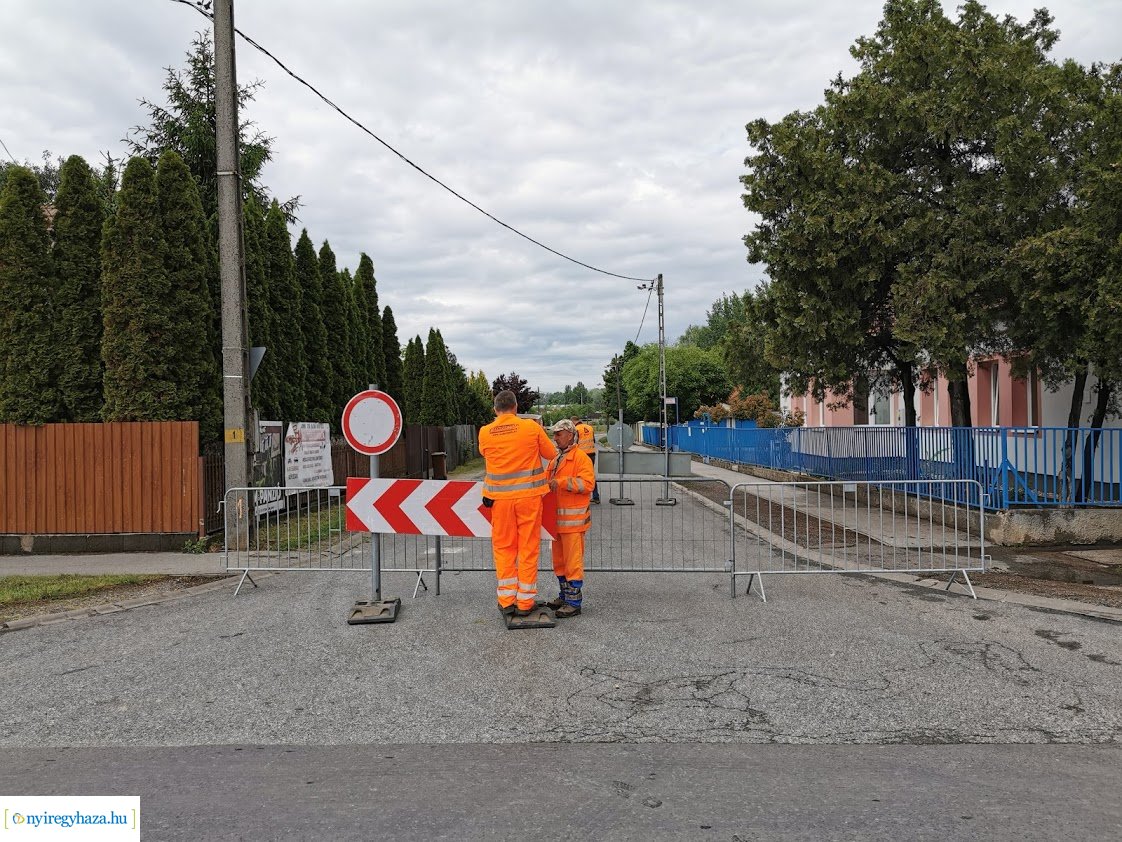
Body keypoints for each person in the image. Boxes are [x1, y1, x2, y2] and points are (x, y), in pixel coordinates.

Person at [479, 390, 557, 617]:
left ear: (495, 409)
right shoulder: (531, 427)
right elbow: (551, 453)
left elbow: (484, 453)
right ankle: (525, 603)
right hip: (529, 499)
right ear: (515, 407)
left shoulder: (485, 432)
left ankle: (506, 600)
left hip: (500, 501)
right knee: (528, 548)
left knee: (503, 549)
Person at [546, 419, 595, 617]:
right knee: (559, 562)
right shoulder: (556, 459)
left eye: (558, 434)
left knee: (572, 563)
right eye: (554, 434)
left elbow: (588, 484)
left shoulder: (580, 458)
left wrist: (563, 482)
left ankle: (574, 602)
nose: (555, 438)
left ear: (569, 434)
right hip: (557, 524)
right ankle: (565, 596)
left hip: (573, 524)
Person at [571, 416, 600, 503]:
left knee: (579, 475)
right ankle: (596, 497)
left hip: (581, 456)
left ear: (573, 422)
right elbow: (594, 440)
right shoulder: (590, 428)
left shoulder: (576, 429)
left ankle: (581, 497)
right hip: (592, 455)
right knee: (590, 475)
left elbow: (574, 443)